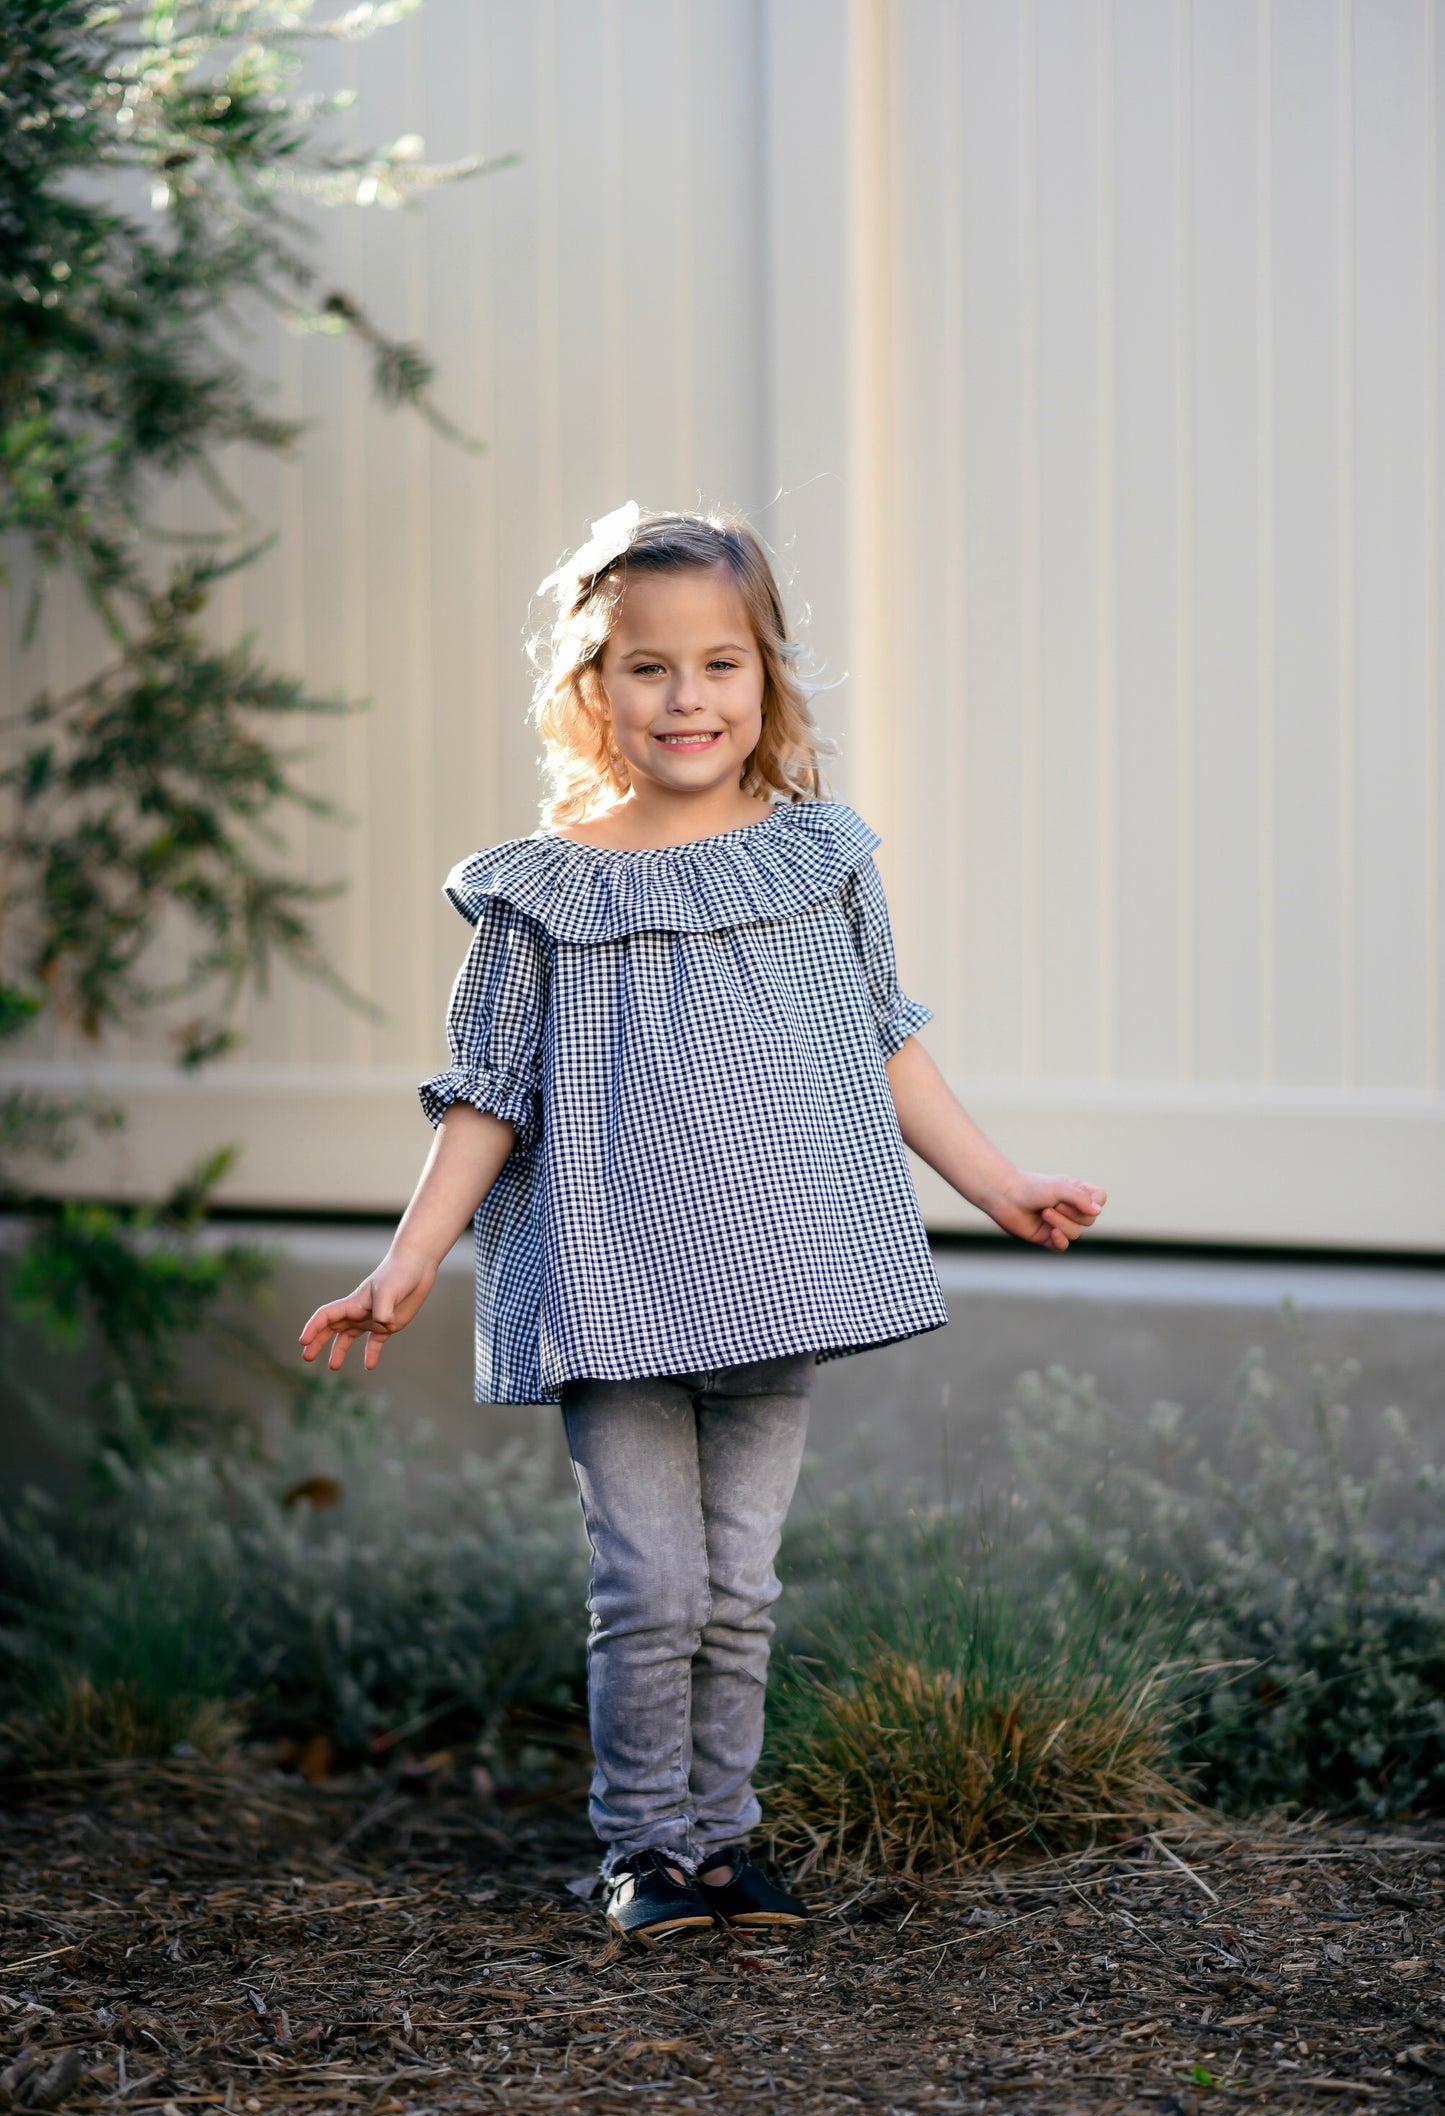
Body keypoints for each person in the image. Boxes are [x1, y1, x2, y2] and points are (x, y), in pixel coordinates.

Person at [298, 505, 1107, 1941]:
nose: (688, 698)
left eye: (720, 663)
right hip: (613, 1287)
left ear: (765, 677)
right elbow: (484, 1093)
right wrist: (407, 1261)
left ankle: (724, 1845)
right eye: (648, 666)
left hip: (776, 1276)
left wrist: (995, 1184)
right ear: (591, 688)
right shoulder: (538, 892)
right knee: (650, 1585)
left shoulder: (820, 859)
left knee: (739, 1587)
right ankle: (644, 1849)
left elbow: (884, 1039)